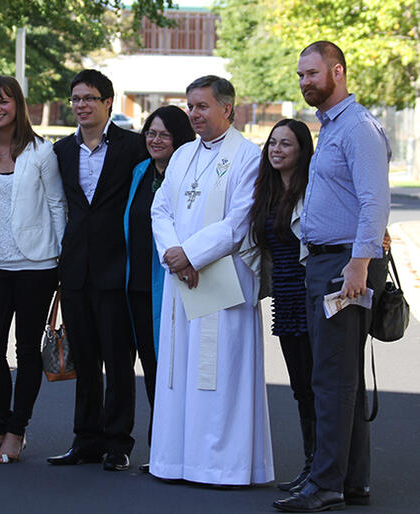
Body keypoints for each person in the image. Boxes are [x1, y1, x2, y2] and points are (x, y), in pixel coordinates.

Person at [273, 41, 390, 513]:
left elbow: (374, 201)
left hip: (345, 266)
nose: (304, 82)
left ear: (338, 72)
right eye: (301, 75)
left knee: (330, 380)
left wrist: (358, 264)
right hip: (328, 262)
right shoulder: (333, 127)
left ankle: (324, 485)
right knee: (345, 380)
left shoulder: (357, 128)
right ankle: (351, 481)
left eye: (312, 73)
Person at [149, 75, 274, 486]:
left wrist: (192, 254)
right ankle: (176, 461)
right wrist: (174, 254)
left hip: (222, 283)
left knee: (219, 372)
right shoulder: (183, 154)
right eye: (190, 106)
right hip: (180, 279)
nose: (194, 114)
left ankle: (222, 467)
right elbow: (160, 209)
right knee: (177, 371)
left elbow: (239, 221)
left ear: (227, 109)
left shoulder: (248, 156)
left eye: (202, 106)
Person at [47, 69, 146, 472]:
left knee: (118, 362)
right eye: (76, 99)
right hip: (75, 272)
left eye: (90, 98)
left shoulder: (134, 147)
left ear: (109, 102)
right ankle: (85, 440)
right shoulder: (61, 152)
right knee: (84, 361)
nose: (82, 105)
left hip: (117, 269)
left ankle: (118, 443)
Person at [0, 76, 67, 464]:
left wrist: (61, 263)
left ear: (18, 106)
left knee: (26, 352)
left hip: (37, 266)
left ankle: (16, 432)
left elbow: (57, 206)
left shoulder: (42, 152)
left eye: (4, 102)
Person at [123, 106, 195, 472]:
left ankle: (167, 449)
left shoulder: (185, 178)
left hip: (168, 286)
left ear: (179, 138)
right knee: (144, 366)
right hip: (133, 286)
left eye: (164, 134)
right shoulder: (140, 172)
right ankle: (155, 448)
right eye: (150, 133)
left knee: (165, 368)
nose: (155, 140)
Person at [248, 119, 315, 491]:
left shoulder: (313, 190)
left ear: (302, 151)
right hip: (285, 300)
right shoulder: (268, 192)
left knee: (319, 386)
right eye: (272, 143)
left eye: (285, 144)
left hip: (312, 295)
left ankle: (321, 466)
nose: (276, 149)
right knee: (300, 386)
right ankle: (312, 463)